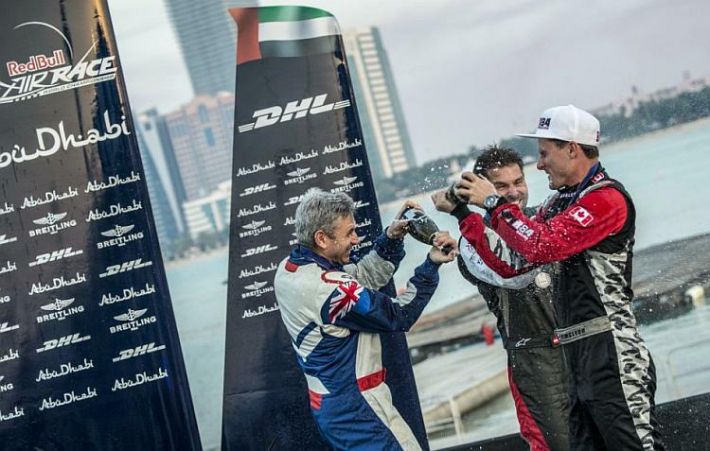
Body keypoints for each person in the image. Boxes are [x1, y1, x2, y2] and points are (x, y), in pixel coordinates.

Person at [454, 105, 664, 450]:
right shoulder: (557, 203)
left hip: (610, 349)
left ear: (572, 149)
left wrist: (493, 202)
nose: (539, 164)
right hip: (572, 356)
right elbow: (513, 264)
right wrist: (463, 213)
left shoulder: (606, 198)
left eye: (544, 153)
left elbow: (541, 245)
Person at [274, 188, 458, 450]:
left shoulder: (290, 270)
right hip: (360, 406)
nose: (356, 239)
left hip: (331, 405)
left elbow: (362, 276)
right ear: (322, 238)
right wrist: (431, 264)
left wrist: (391, 238)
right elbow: (399, 315)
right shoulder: (327, 288)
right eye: (349, 232)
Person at [432, 146, 570, 451]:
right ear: (481, 190)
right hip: (533, 361)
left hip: (576, 348)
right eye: (501, 186)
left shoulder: (544, 219)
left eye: (518, 182)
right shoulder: (472, 242)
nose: (514, 192)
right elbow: (510, 271)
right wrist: (461, 211)